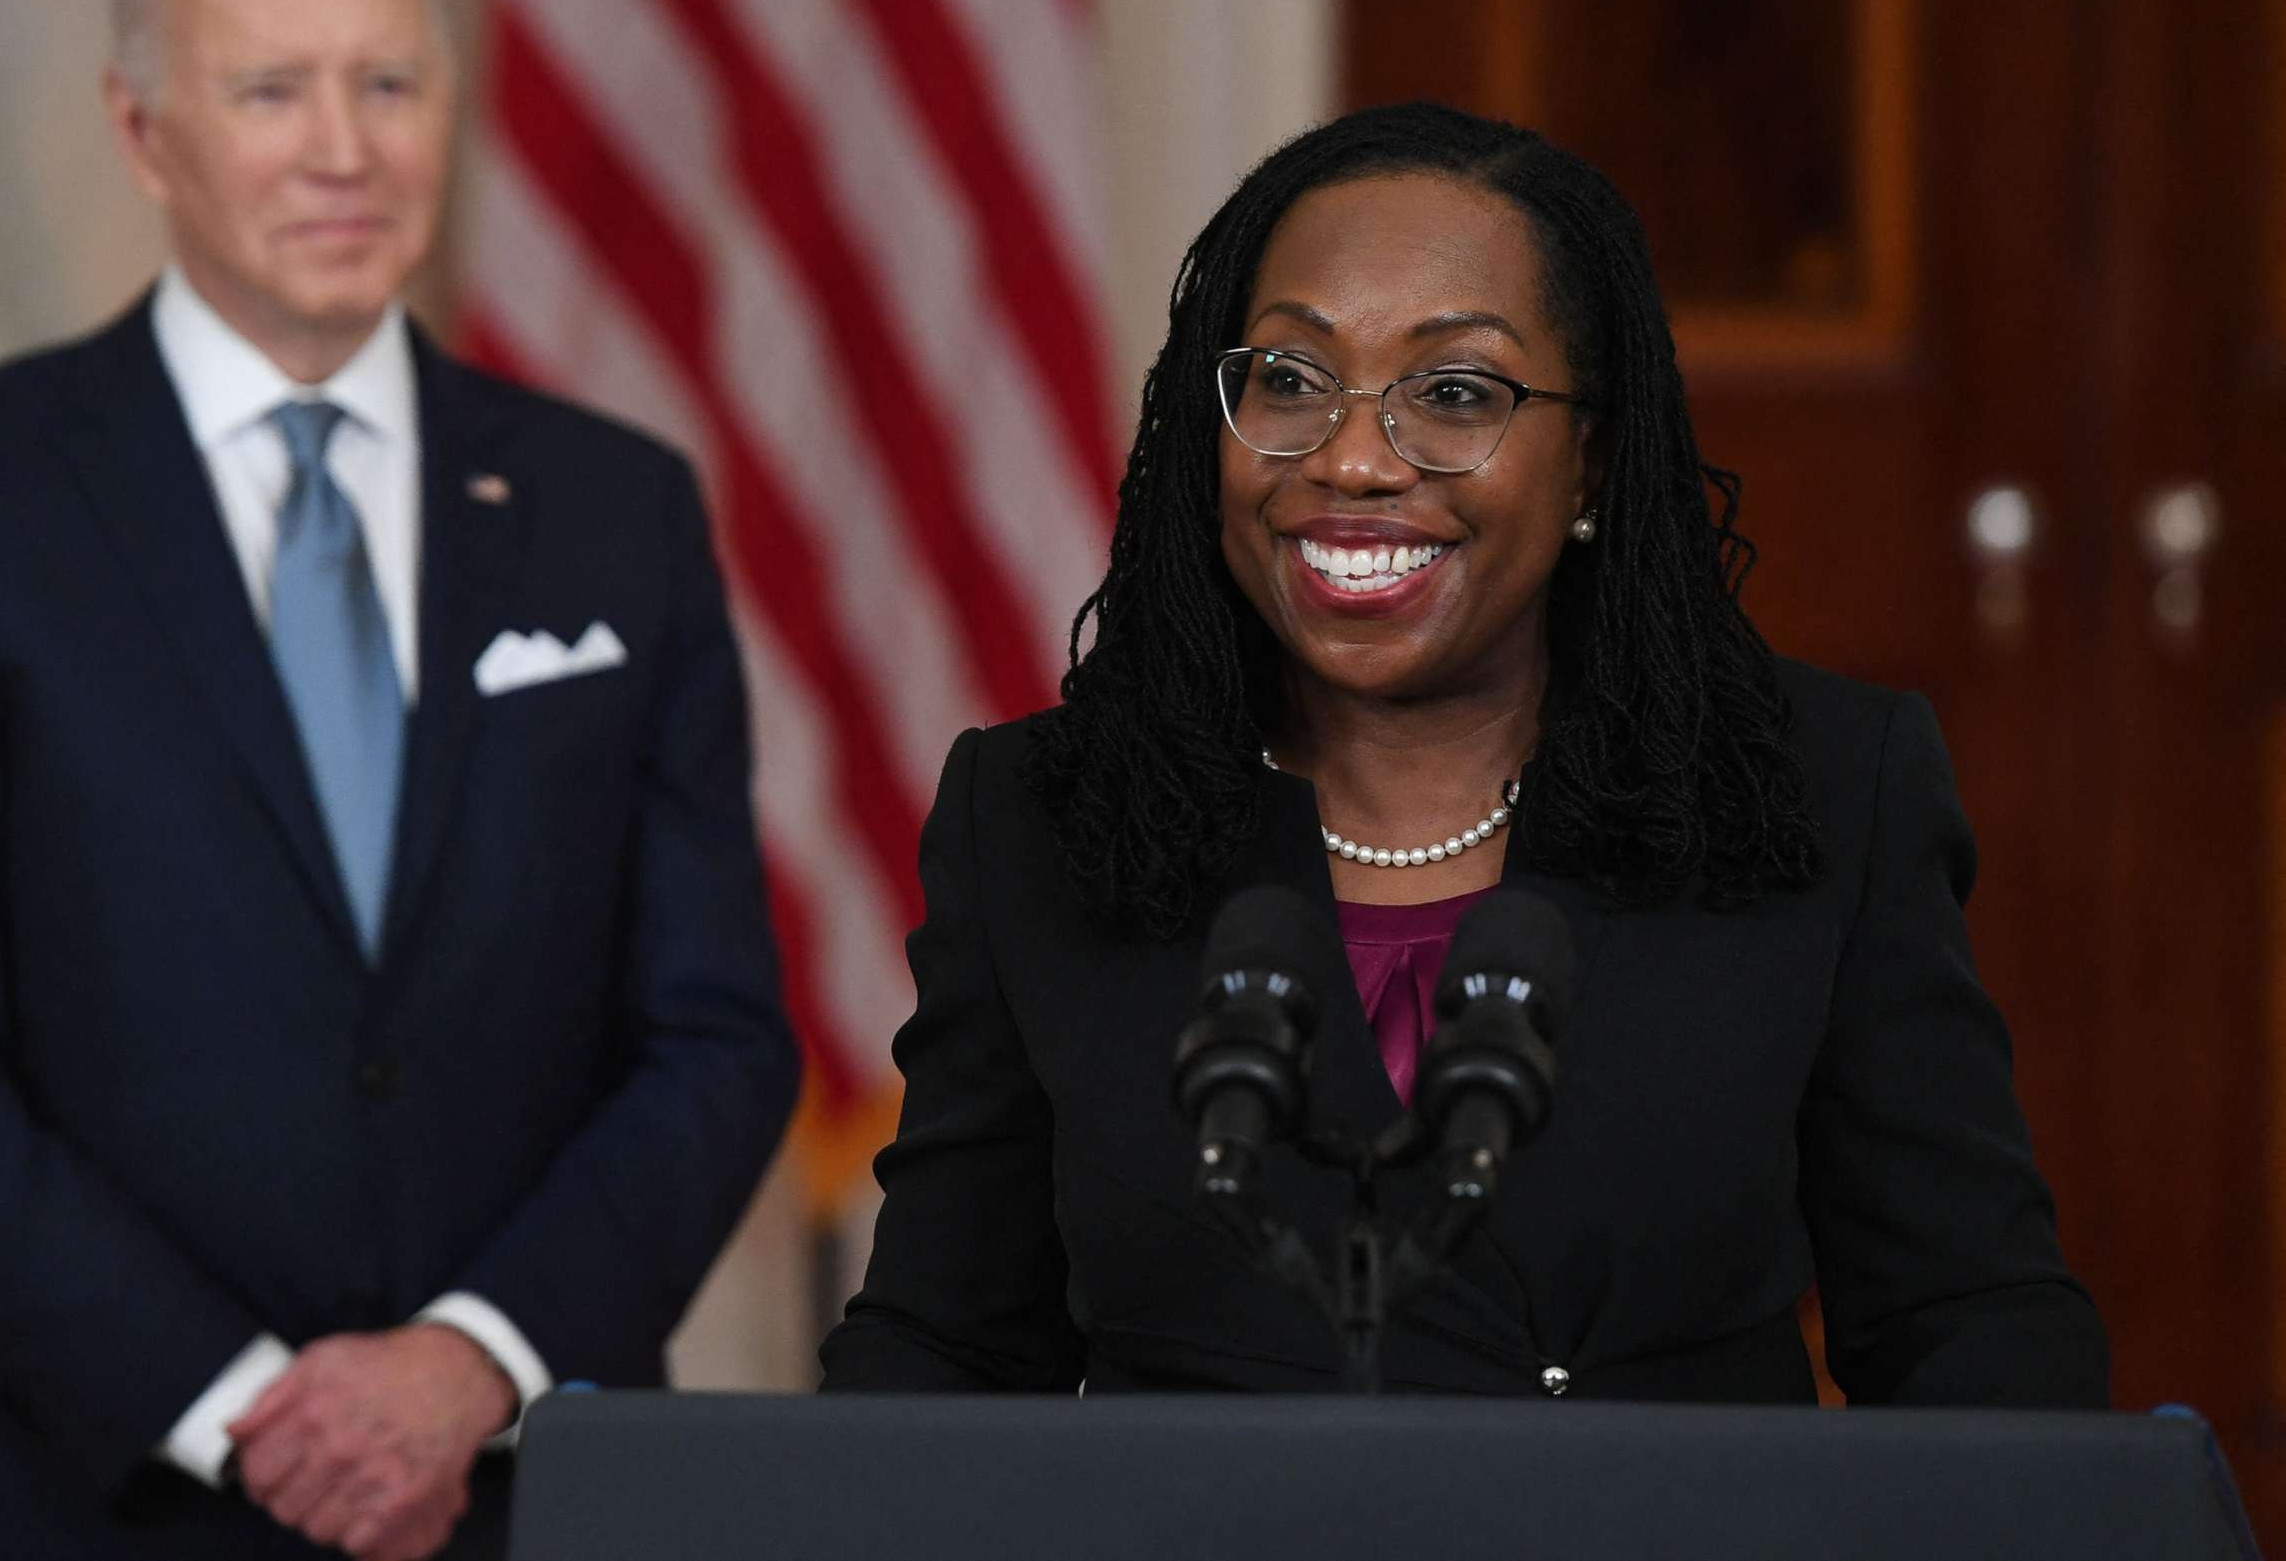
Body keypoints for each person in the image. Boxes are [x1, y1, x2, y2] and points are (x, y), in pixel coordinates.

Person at [0, 0, 797, 1557]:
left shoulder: (617, 508)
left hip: (525, 1493)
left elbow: (713, 1038)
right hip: (91, 1488)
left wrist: (467, 1366)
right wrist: (250, 1408)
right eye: (271, 89)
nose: (345, 149)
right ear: (139, 129)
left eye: (388, 80)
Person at [819, 101, 2107, 1406]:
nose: (1355, 458)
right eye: (1289, 377)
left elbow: (1972, 1331)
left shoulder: (1822, 794)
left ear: (1591, 458)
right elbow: (947, 1349)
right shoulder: (1044, 817)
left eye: (1453, 392)